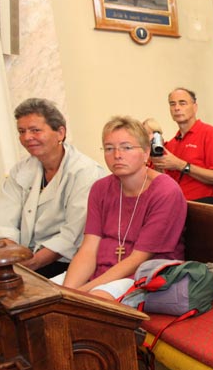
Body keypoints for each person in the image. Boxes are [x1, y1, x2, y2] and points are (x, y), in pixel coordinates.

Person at [59, 116, 186, 299]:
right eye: (109, 148)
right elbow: (89, 248)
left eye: (127, 147)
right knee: (42, 296)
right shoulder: (100, 188)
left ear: (146, 152)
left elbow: (138, 259)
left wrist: (81, 293)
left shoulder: (165, 191)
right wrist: (68, 291)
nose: (117, 155)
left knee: (92, 304)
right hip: (101, 270)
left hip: (144, 276)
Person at [0, 98, 106, 278]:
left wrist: (30, 264)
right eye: (22, 131)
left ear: (60, 132)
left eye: (35, 130)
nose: (27, 137)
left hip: (63, 261)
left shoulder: (85, 172)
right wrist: (10, 255)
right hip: (21, 257)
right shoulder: (20, 170)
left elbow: (72, 235)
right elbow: (5, 222)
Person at [153, 88, 213, 201]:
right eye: (172, 104)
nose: (177, 108)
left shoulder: (210, 134)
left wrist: (180, 165)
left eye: (182, 103)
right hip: (173, 202)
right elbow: (166, 181)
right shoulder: (172, 143)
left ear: (195, 107)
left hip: (199, 206)